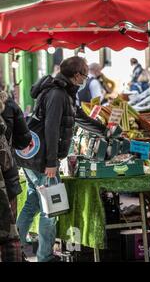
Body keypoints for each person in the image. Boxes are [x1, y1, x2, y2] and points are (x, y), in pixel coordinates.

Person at [16, 56, 108, 262]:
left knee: (33, 202)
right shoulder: (58, 94)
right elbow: (51, 128)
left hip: (32, 155)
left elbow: (77, 117)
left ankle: (13, 249)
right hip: (42, 159)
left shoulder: (62, 92)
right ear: (76, 75)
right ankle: (45, 256)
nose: (85, 78)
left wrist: (105, 131)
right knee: (51, 208)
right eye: (84, 74)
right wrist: (51, 163)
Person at [0, 89, 30, 262]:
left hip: (8, 178)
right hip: (8, 178)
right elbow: (24, 140)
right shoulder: (10, 104)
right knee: (9, 234)